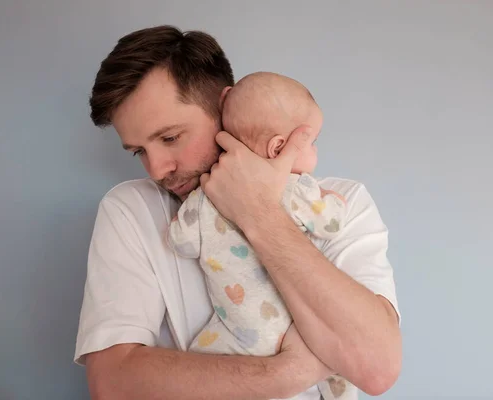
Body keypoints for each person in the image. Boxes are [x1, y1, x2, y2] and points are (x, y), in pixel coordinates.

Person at [75, 25, 402, 400]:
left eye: (169, 138)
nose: (155, 169)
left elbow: (376, 370)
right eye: (138, 151)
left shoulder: (339, 203)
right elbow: (112, 385)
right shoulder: (131, 211)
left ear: (225, 106)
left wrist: (257, 212)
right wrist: (287, 371)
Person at [166, 71, 354, 400]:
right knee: (339, 363)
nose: (315, 152)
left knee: (196, 369)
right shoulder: (296, 188)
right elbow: (331, 224)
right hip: (292, 331)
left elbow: (180, 241)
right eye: (313, 142)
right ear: (280, 146)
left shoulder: (207, 195)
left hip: (236, 330)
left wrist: (189, 207)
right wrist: (332, 201)